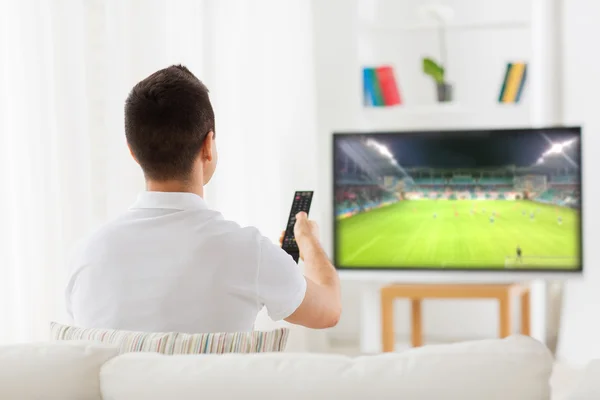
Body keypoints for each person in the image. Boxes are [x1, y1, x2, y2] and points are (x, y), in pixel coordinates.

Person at [65, 65, 341, 333]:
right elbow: (328, 310)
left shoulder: (86, 255)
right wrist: (308, 241)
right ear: (208, 145)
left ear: (133, 152)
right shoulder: (249, 252)